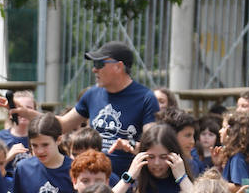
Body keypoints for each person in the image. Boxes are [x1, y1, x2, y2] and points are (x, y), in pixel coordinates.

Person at [36, 40, 158, 176]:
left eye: (99, 64)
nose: (94, 69)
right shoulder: (92, 94)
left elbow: (152, 146)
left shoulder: (146, 98)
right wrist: (29, 114)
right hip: (92, 178)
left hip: (127, 181)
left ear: (118, 67)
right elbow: (62, 125)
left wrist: (130, 145)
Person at [9, 113, 75, 193]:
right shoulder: (23, 168)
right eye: (34, 145)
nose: (39, 151)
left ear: (58, 140)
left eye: (45, 145)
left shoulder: (74, 169)